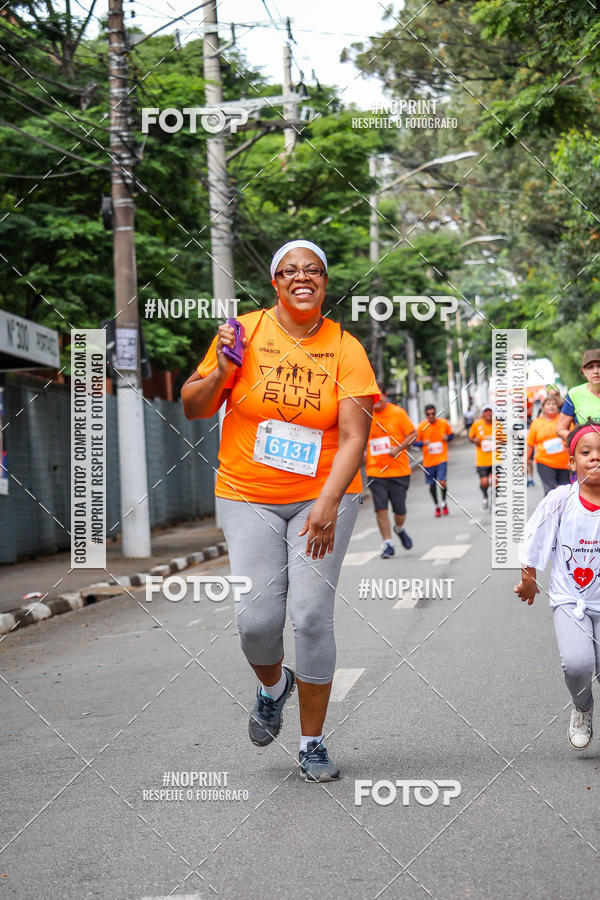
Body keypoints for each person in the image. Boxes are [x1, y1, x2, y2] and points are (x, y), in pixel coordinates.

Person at [181, 239, 379, 783]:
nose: (301, 277)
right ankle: (274, 687)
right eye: (289, 270)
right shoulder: (243, 333)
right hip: (247, 493)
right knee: (256, 623)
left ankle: (312, 742)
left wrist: (329, 502)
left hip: (325, 493)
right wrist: (221, 370)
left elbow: (354, 436)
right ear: (274, 282)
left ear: (325, 282)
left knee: (311, 615)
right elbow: (194, 405)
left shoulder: (346, 348)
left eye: (312, 270)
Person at [515, 421, 600, 750]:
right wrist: (529, 581)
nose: (595, 458)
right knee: (577, 663)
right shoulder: (560, 500)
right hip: (571, 600)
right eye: (586, 452)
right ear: (572, 462)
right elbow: (533, 542)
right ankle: (582, 707)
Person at [364, 384, 416, 558]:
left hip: (399, 471)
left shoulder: (398, 413)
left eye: (379, 396)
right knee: (380, 507)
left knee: (399, 511)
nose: (376, 401)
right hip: (375, 471)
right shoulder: (366, 415)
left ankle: (399, 528)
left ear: (385, 395)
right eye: (373, 398)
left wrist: (399, 449)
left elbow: (413, 434)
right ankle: (387, 543)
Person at [414, 404, 454, 516]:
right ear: (425, 415)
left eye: (433, 413)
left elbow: (451, 435)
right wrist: (422, 443)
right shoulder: (421, 426)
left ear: (435, 413)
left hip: (442, 458)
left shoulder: (443, 423)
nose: (431, 416)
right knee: (432, 486)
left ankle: (444, 503)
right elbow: (414, 442)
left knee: (442, 482)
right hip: (428, 461)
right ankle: (437, 506)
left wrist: (447, 438)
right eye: (428, 414)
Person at [526, 395, 571, 495]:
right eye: (548, 404)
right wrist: (524, 460)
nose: (551, 406)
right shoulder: (536, 423)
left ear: (557, 407)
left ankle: (562, 511)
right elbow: (530, 444)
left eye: (553, 404)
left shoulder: (564, 420)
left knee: (564, 493)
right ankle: (548, 510)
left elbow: (573, 438)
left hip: (564, 463)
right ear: (543, 407)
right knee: (550, 492)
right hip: (544, 462)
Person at [556, 349, 600, 443]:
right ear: (584, 371)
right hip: (588, 454)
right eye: (590, 367)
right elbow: (560, 429)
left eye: (599, 366)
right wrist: (579, 440)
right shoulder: (574, 394)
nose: (596, 371)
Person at [468, 404, 495, 509]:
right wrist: (475, 440)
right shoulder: (477, 425)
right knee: (484, 482)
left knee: (495, 480)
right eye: (486, 411)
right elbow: (470, 438)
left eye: (490, 411)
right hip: (482, 460)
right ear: (482, 414)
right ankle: (485, 495)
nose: (488, 413)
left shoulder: (498, 425)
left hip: (496, 459)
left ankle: (494, 500)